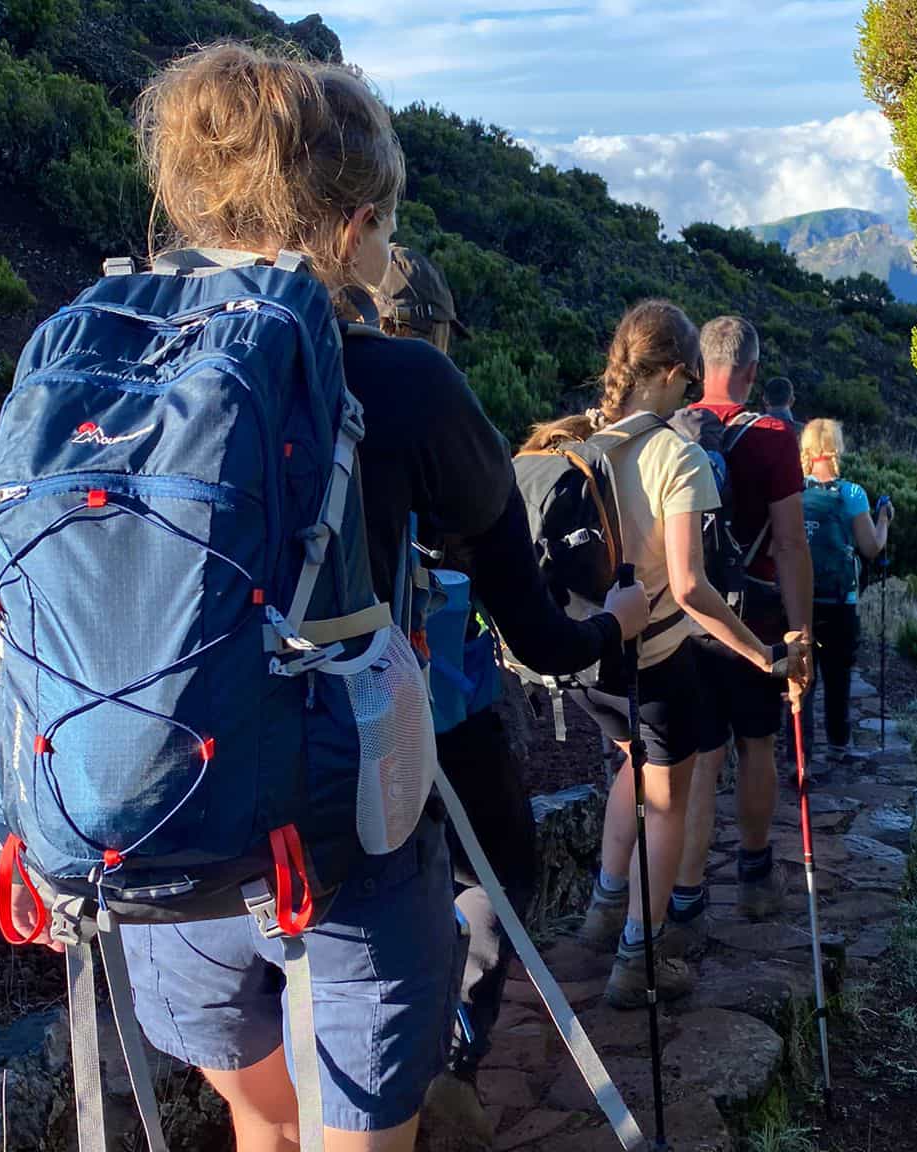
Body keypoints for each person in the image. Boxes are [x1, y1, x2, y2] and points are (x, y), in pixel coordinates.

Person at [3, 45, 650, 1152]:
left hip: (152, 834)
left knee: (266, 1131)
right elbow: (533, 630)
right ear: (351, 229)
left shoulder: (82, 362)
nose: (389, 255)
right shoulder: (404, 382)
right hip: (339, 855)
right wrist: (614, 625)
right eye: (386, 231)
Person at [374, 247, 647, 1147]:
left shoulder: (273, 392)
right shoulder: (434, 413)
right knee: (494, 878)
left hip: (290, 723)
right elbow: (539, 638)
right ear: (435, 334)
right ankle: (451, 1065)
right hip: (440, 721)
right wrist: (616, 625)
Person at [540, 300, 807, 1009]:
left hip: (589, 662)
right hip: (654, 661)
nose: (693, 395)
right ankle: (641, 956)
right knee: (667, 802)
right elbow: (690, 587)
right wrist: (759, 654)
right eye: (690, 384)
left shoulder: (574, 437)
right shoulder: (675, 455)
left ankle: (602, 911)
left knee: (632, 766)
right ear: (674, 374)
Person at [672, 318, 813, 945]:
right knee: (758, 744)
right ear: (753, 372)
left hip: (686, 619)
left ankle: (684, 897)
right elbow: (788, 542)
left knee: (700, 756)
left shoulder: (669, 432)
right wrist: (801, 632)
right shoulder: (776, 436)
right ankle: (755, 878)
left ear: (702, 365)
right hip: (755, 622)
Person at [800, 418, 893, 759]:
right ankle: (839, 745)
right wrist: (884, 518)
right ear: (837, 448)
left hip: (798, 599)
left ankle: (800, 752)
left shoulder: (793, 492)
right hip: (840, 601)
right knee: (837, 678)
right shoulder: (852, 494)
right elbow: (871, 548)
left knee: (801, 679)